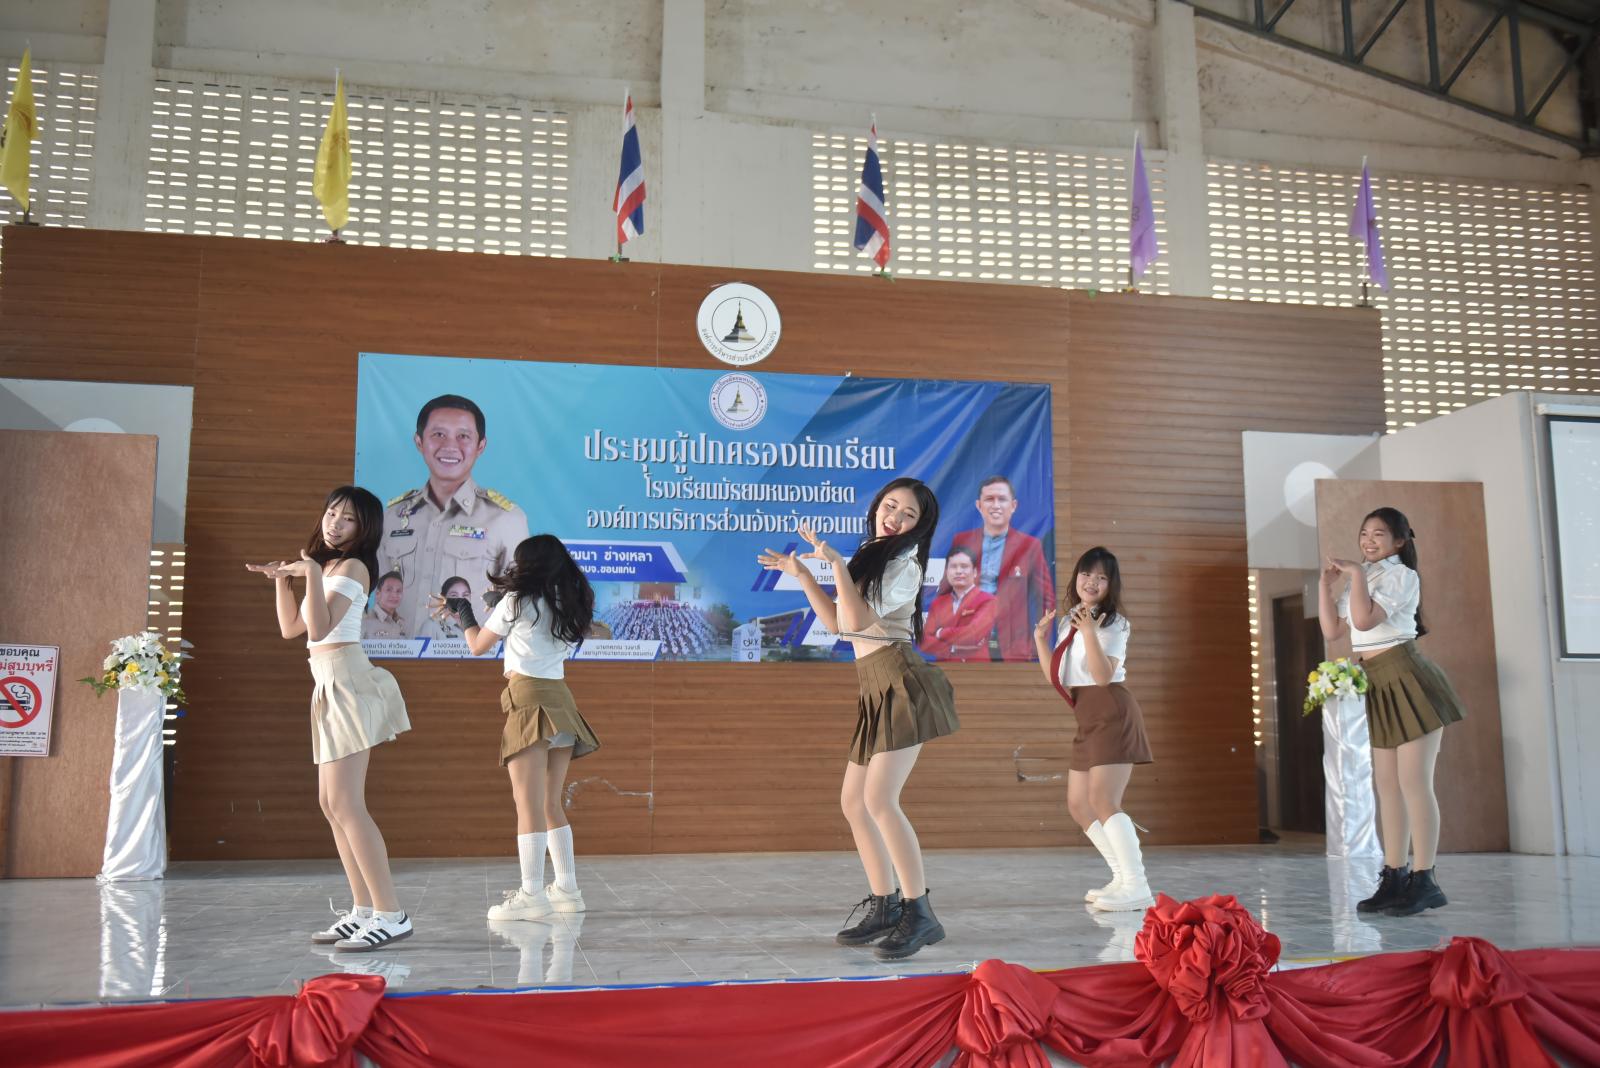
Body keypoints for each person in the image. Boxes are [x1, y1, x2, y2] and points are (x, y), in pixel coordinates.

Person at [758, 477, 959, 960]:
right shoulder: (872, 554)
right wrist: (804, 574)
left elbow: (859, 622)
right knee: (854, 801)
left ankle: (920, 913)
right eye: (890, 506)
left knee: (880, 800)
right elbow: (836, 625)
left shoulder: (906, 564)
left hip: (902, 682)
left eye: (908, 514)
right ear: (876, 507)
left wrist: (834, 566)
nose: (895, 517)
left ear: (920, 525)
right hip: (874, 683)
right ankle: (885, 905)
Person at [247, 486, 413, 950]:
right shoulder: (327, 569)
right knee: (331, 804)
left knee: (347, 804)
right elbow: (292, 630)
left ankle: (391, 914)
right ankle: (363, 910)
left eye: (348, 518)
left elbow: (321, 628)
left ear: (365, 528)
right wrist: (283, 580)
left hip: (348, 682)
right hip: (328, 684)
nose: (334, 523)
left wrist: (311, 573)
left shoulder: (354, 567)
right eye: (331, 513)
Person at [435, 534, 602, 922]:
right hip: (561, 701)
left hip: (527, 699)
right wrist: (497, 603)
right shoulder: (566, 601)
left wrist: (464, 611)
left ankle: (532, 895)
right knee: (549, 804)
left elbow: (477, 645)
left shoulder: (516, 600)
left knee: (527, 804)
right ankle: (567, 890)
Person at [1319, 507, 1465, 917]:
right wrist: (1325, 585)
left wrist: (1355, 573)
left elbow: (1365, 621)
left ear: (1399, 541)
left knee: (1414, 782)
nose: (1368, 541)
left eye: (1378, 534)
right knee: (1386, 785)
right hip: (1380, 682)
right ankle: (1394, 875)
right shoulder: (1365, 577)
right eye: (1364, 533)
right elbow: (1334, 631)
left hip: (1408, 677)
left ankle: (1425, 879)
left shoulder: (1401, 576)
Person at [1034, 546, 1155, 913]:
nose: (1092, 582)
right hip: (1087, 716)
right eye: (1087, 574)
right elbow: (1058, 677)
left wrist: (1088, 631)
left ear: (1110, 585)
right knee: (1079, 804)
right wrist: (1040, 640)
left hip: (1112, 711)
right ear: (1077, 577)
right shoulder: (1069, 621)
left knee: (1104, 800)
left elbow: (1102, 676)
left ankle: (1137, 885)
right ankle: (1121, 878)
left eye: (1102, 577)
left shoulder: (1114, 623)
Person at [379, 394, 530, 637]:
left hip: (468, 656)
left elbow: (520, 604)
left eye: (463, 436)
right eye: (439, 434)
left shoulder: (506, 518)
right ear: (419, 442)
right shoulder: (392, 517)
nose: (450, 446)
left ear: (481, 446)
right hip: (395, 652)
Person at [946, 475, 1054, 661]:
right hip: (968, 645)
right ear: (979, 505)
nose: (996, 505)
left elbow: (1046, 599)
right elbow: (946, 592)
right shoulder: (962, 540)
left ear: (1013, 506)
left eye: (1002, 499)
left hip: (1013, 647)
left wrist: (1038, 643)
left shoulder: (1030, 546)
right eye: (989, 499)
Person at [920, 546, 998, 661]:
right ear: (947, 572)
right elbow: (924, 642)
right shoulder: (938, 603)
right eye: (953, 566)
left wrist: (940, 633)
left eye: (964, 566)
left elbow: (973, 635)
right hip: (944, 668)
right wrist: (952, 648)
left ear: (975, 572)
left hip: (977, 668)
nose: (958, 571)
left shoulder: (988, 600)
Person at [420, 576, 472, 641]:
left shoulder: (474, 627)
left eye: (465, 595)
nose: (460, 600)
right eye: (454, 595)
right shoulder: (431, 625)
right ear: (443, 598)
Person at [361, 571, 408, 640]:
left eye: (398, 591)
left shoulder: (402, 624)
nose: (394, 595)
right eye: (389, 590)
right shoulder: (365, 620)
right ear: (377, 594)